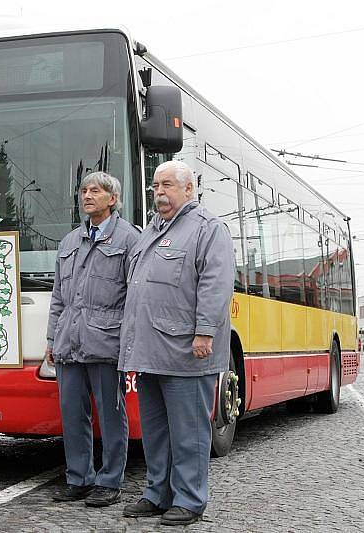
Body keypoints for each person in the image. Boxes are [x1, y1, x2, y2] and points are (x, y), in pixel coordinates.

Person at [119, 160, 235, 526]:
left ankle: (190, 499)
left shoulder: (208, 229)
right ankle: (158, 493)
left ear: (189, 189)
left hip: (187, 350)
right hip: (150, 350)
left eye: (167, 185)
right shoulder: (150, 231)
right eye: (155, 186)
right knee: (155, 432)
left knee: (189, 433)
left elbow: (215, 285)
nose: (159, 193)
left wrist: (204, 332)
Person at [45, 171, 140, 507]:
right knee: (72, 413)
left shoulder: (130, 239)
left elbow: (135, 297)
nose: (87, 196)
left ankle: (110, 481)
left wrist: (129, 344)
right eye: (84, 190)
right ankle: (79, 477)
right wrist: (52, 339)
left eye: (95, 191)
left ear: (112, 199)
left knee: (111, 413)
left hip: (107, 341)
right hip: (69, 340)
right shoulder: (69, 241)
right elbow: (59, 296)